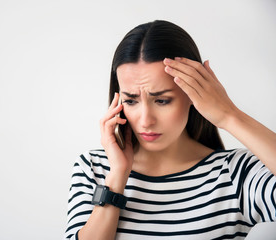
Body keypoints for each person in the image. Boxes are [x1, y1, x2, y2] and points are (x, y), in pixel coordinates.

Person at [64, 20, 276, 239]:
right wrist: (117, 175)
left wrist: (229, 116)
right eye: (131, 100)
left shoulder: (235, 173)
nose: (145, 121)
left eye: (162, 100)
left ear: (194, 94)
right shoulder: (94, 169)